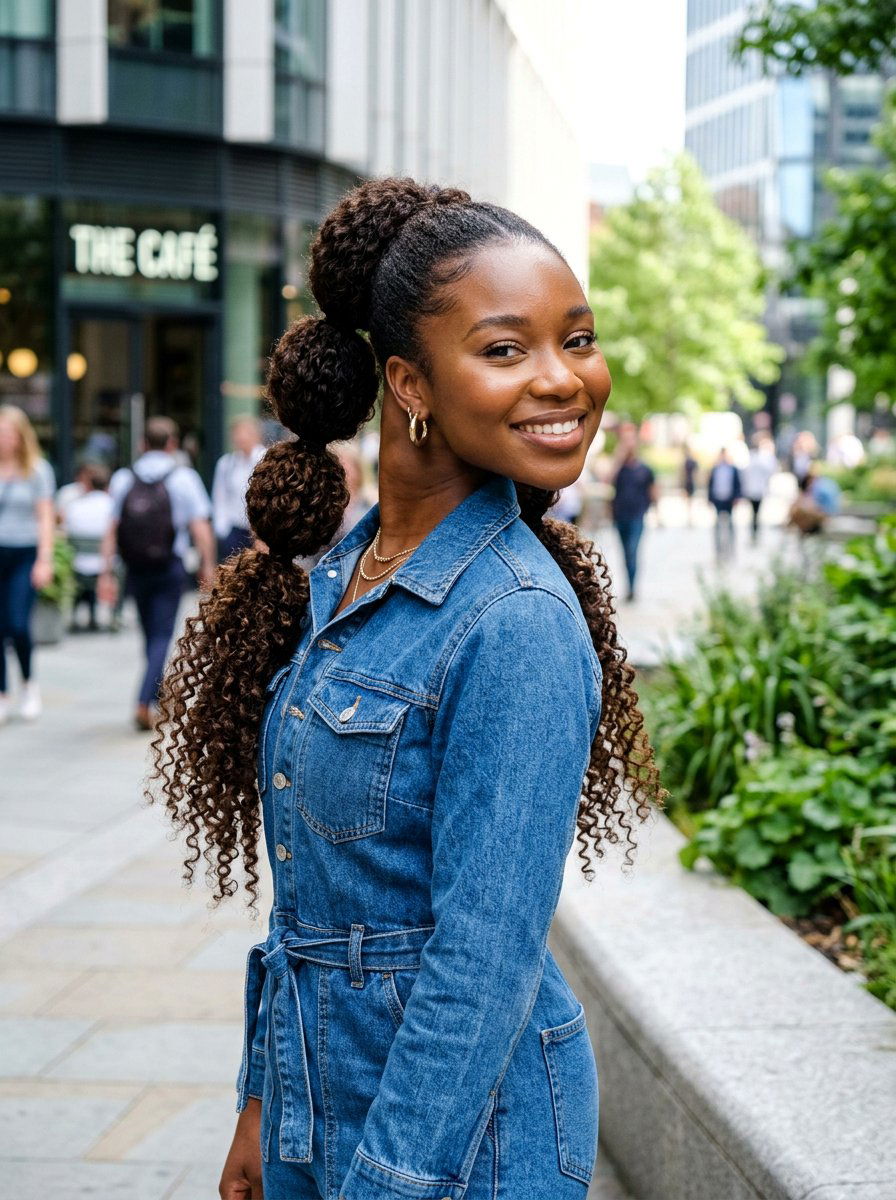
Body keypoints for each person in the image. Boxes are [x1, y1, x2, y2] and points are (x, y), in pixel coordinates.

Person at [145, 178, 665, 1200]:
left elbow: (482, 961)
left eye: (579, 339)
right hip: (314, 1100)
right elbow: (308, 902)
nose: (564, 380)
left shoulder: (512, 614)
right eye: (507, 348)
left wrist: (386, 1183)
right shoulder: (338, 577)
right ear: (408, 383)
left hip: (461, 1146)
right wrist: (262, 1099)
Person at [99, 416, 215, 731]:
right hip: (169, 565)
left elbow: (111, 529)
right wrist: (208, 565)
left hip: (135, 567)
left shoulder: (124, 478)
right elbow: (200, 527)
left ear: (142, 444)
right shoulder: (184, 477)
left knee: (151, 635)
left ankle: (156, 693)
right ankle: (143, 701)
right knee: (161, 635)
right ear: (172, 444)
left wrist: (105, 572)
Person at [0, 405, 56, 724]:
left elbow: (45, 516)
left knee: (18, 624)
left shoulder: (36, 470)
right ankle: (2, 694)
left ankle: (28, 685)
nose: (3, 439)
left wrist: (44, 559)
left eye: (8, 433)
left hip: (24, 553)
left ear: (21, 437)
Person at [62, 463, 116, 632]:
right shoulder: (113, 507)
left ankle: (76, 613)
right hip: (106, 564)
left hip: (77, 563)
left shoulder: (75, 506)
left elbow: (66, 532)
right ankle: (115, 614)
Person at [211, 415, 267, 562]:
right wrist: (222, 529)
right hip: (234, 532)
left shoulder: (266, 459)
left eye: (245, 433)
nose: (240, 438)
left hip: (261, 532)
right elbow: (220, 497)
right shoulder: (227, 463)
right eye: (236, 434)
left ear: (256, 435)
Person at [611, 432, 657, 602]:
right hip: (619, 516)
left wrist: (657, 515)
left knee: (632, 552)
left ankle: (632, 588)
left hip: (637, 516)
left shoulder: (645, 469)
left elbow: (653, 492)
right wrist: (618, 458)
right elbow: (607, 481)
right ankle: (628, 585)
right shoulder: (619, 468)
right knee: (624, 553)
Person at [707, 446, 742, 563]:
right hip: (718, 499)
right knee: (717, 524)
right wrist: (710, 498)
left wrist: (737, 497)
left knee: (731, 524)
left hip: (729, 499)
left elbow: (737, 484)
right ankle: (718, 549)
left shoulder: (733, 469)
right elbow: (710, 484)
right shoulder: (715, 469)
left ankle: (731, 548)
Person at [741, 434, 777, 543]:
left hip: (759, 489)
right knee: (753, 513)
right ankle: (753, 533)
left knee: (757, 513)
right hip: (751, 490)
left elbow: (770, 471)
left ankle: (756, 533)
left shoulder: (765, 457)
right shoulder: (751, 457)